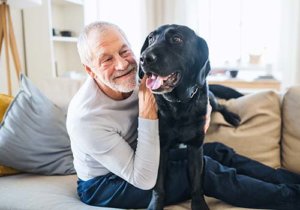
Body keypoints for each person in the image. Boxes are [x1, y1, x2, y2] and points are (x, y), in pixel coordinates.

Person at [66, 21, 300, 210]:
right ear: (90, 70)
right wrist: (148, 111)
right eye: (106, 59)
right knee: (205, 171)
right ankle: (291, 198)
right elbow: (143, 178)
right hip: (109, 184)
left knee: (218, 151)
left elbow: (192, 86)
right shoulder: (85, 118)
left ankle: (289, 180)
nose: (121, 64)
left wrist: (205, 110)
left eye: (124, 51)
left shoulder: (137, 74)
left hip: (147, 158)